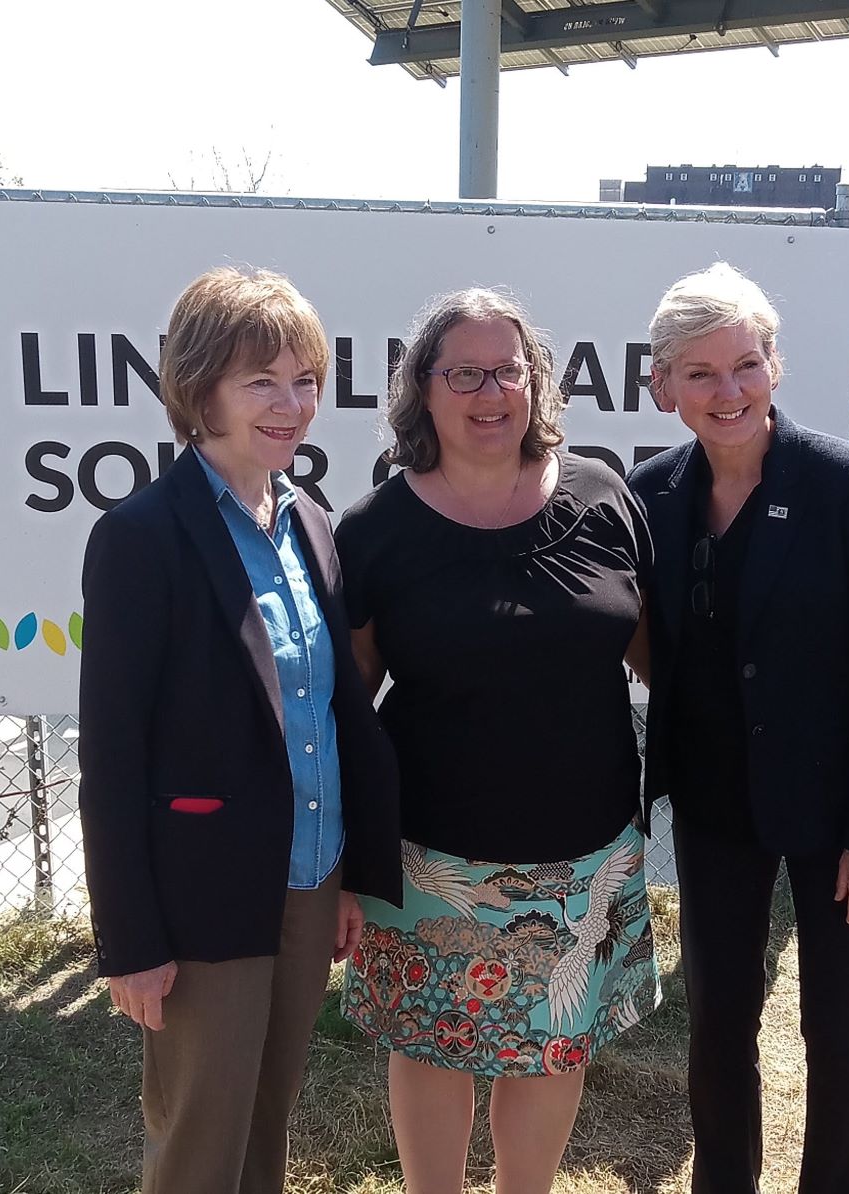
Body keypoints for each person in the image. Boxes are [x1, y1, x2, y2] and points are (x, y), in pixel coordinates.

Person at [78, 267, 401, 1194]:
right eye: (261, 381)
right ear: (199, 386)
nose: (292, 404)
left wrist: (344, 878)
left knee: (267, 1123)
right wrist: (130, 939)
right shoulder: (143, 536)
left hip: (308, 878)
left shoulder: (308, 522)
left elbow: (329, 713)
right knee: (198, 1144)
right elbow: (111, 751)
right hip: (200, 896)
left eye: (305, 379)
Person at [334, 287, 662, 1194]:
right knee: (433, 1047)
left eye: (507, 369)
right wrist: (339, 862)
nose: (489, 391)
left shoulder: (602, 495)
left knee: (554, 1051)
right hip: (429, 854)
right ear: (422, 392)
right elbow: (349, 711)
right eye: (463, 372)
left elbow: (656, 659)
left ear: (537, 382)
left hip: (584, 848)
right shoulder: (375, 532)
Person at [626, 262, 849, 1194]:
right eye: (702, 373)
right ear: (664, 386)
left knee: (839, 1021)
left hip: (837, 810)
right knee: (719, 1019)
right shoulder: (651, 493)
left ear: (775, 369)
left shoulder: (848, 482)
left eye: (746, 365)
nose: (730, 392)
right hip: (716, 804)